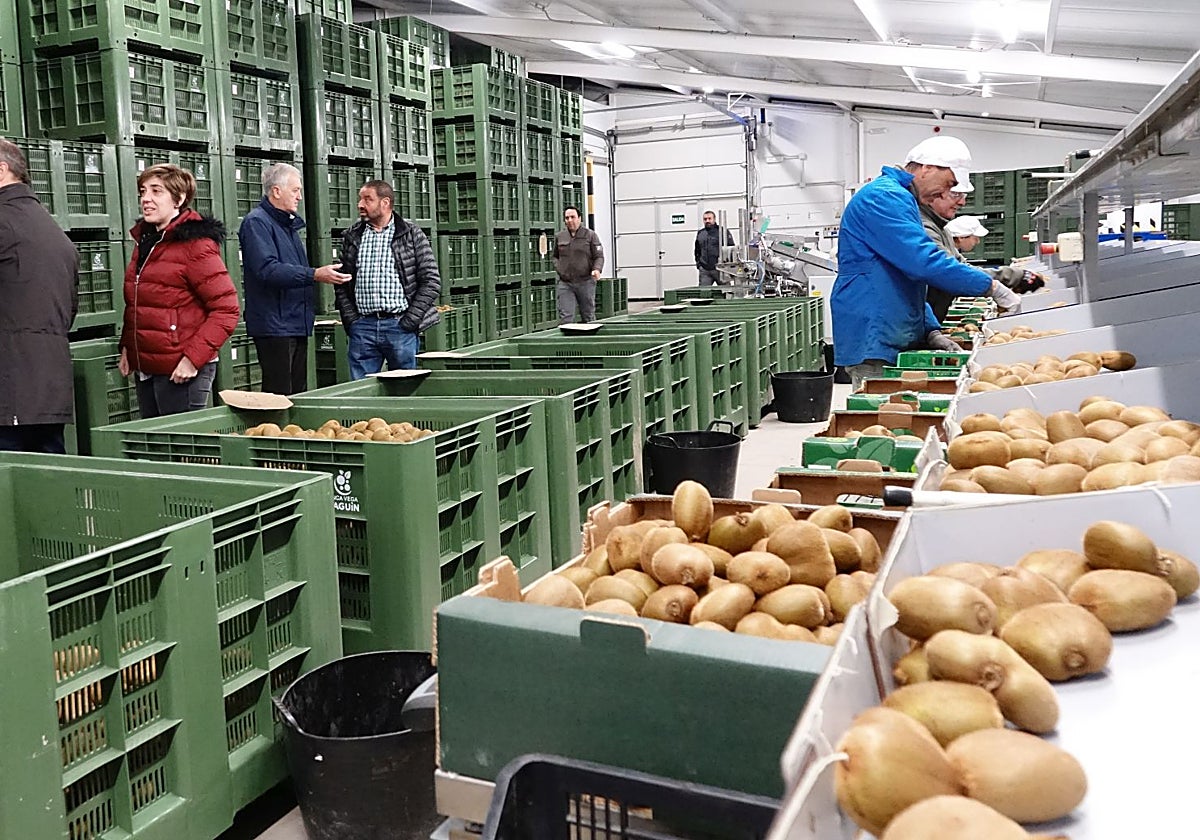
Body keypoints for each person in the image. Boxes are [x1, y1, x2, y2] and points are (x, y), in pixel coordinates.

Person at [830, 136, 1021, 389]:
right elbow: (922, 261)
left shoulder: (901, 198)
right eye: (949, 183)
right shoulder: (883, 197)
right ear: (927, 168)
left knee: (894, 411)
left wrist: (930, 330)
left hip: (889, 325)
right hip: (874, 329)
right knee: (880, 413)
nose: (946, 193)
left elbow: (909, 279)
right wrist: (991, 287)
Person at [119, 163, 239, 417]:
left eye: (156, 191)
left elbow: (226, 309)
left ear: (179, 198)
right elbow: (139, 302)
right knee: (154, 446)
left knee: (182, 452)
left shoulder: (196, 246)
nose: (146, 199)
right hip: (147, 367)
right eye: (143, 192)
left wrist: (192, 359)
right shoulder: (146, 242)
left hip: (181, 371)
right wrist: (129, 347)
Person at [239, 163, 349, 395]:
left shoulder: (287, 225)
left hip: (294, 321)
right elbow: (267, 270)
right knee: (279, 393)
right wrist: (314, 274)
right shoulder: (257, 222)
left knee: (297, 392)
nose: (300, 196)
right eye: (295, 190)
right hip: (274, 324)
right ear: (276, 191)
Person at [0, 138, 79, 453]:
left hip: (9, 393)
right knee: (50, 488)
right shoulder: (51, 231)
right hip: (48, 389)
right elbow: (69, 309)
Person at [335, 179, 441, 379]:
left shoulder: (411, 234)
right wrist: (352, 321)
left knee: (404, 388)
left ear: (385, 203)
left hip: (399, 325)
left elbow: (431, 281)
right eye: (360, 199)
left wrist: (410, 321)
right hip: (363, 327)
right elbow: (341, 282)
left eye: (368, 199)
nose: (360, 205)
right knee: (360, 392)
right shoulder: (352, 236)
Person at [921, 182, 971, 323]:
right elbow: (950, 271)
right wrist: (993, 287)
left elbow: (962, 266)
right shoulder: (925, 229)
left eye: (963, 195)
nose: (962, 202)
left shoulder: (943, 229)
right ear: (933, 195)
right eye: (955, 194)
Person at [553, 206, 604, 324]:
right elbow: (555, 256)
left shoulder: (590, 235)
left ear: (579, 218)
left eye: (573, 217)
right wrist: (559, 268)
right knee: (566, 317)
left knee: (588, 316)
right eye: (567, 218)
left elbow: (599, 256)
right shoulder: (560, 237)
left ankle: (590, 340)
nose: (570, 220)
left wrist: (597, 269)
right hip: (566, 283)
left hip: (585, 282)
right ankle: (568, 341)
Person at [695, 210, 734, 286]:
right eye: (705, 219)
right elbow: (697, 250)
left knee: (726, 292)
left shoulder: (722, 231)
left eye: (709, 218)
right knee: (704, 294)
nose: (707, 221)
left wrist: (729, 267)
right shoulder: (701, 233)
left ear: (714, 219)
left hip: (720, 269)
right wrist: (699, 264)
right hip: (705, 270)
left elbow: (731, 249)